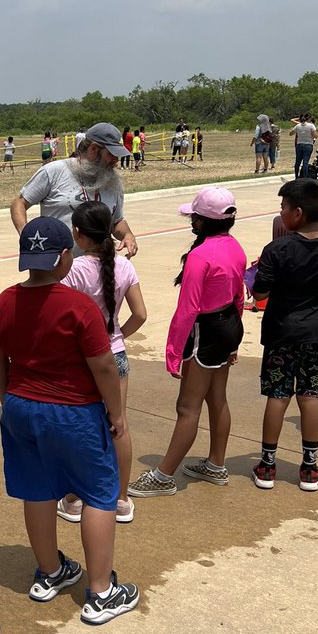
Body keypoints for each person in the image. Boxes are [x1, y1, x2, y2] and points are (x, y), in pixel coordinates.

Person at [0, 217, 139, 625]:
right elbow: (104, 367)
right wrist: (117, 412)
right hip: (74, 411)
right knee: (99, 493)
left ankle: (50, 571)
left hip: (20, 405)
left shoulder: (1, 303)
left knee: (36, 491)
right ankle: (102, 592)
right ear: (64, 257)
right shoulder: (79, 307)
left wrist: (9, 399)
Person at [128, 188, 247, 498]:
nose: (191, 221)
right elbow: (238, 297)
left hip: (204, 332)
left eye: (194, 217)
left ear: (202, 221)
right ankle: (216, 465)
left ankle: (164, 475)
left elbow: (187, 310)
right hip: (228, 326)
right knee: (217, 398)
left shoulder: (199, 256)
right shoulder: (235, 247)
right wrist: (235, 339)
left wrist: (173, 352)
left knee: (187, 406)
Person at [251, 179, 318, 492]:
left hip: (281, 333)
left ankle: (267, 465)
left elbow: (260, 291)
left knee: (278, 395)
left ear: (297, 213)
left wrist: (258, 274)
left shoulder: (277, 249)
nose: (281, 212)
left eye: (284, 207)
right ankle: (309, 468)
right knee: (310, 396)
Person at [59, 202, 147, 522]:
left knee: (82, 429)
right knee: (118, 426)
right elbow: (140, 314)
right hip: (117, 356)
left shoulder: (74, 270)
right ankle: (121, 500)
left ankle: (74, 498)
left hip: (83, 359)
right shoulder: (124, 266)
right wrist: (118, 334)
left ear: (78, 234)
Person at [10, 122, 138, 257]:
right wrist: (25, 233)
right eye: (111, 154)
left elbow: (116, 221)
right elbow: (19, 203)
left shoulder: (113, 181)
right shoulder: (54, 172)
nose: (116, 160)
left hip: (98, 268)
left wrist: (127, 234)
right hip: (56, 268)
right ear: (93, 149)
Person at [289, 114, 317, 179]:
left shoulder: (298, 125)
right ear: (309, 119)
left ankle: (296, 176)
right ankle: (305, 177)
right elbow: (315, 135)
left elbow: (291, 133)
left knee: (297, 162)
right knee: (305, 162)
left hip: (299, 144)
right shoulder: (311, 125)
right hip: (308, 144)